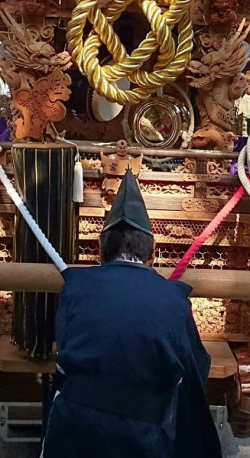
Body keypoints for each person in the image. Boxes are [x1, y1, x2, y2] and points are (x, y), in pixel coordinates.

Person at [41, 170, 222, 458]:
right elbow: (192, 367)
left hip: (74, 427)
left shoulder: (75, 286)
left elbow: (63, 352)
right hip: (141, 433)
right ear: (153, 253)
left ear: (100, 251)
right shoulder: (174, 299)